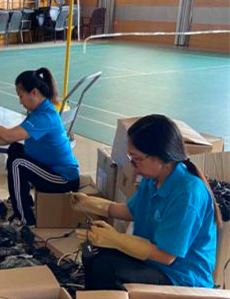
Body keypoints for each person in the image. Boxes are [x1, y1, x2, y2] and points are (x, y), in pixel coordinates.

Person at [72, 114, 220, 290]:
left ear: (162, 156)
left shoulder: (187, 194)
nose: (134, 168)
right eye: (131, 158)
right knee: (91, 250)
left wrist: (115, 239)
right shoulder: (153, 179)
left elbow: (166, 256)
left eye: (138, 159)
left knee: (106, 268)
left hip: (180, 277)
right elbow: (130, 211)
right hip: (154, 262)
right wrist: (88, 203)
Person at [0, 67, 80, 227]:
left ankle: (24, 218)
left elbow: (9, 135)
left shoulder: (45, 117)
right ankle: (24, 202)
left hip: (63, 179)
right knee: (15, 149)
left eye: (21, 96)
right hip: (51, 170)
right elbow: (12, 138)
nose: (20, 101)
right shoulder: (38, 112)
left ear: (34, 92)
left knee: (18, 163)